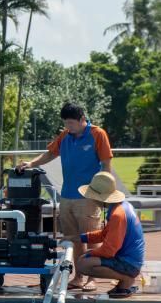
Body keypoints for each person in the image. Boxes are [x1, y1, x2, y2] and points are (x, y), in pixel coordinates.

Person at [17, 101, 114, 288]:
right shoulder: (65, 136)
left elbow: (106, 165)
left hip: (89, 196)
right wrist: (30, 164)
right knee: (73, 239)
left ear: (82, 120)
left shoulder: (97, 134)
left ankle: (92, 279)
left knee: (91, 237)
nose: (68, 127)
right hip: (67, 196)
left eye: (71, 123)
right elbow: (49, 154)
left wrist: (105, 193)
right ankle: (78, 277)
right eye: (66, 123)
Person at [71, 171, 145, 297]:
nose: (92, 200)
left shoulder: (117, 215)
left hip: (129, 264)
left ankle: (126, 280)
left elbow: (109, 250)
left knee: (83, 264)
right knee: (85, 259)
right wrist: (80, 238)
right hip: (130, 260)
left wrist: (88, 253)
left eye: (93, 197)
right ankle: (123, 283)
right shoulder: (122, 206)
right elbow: (105, 234)